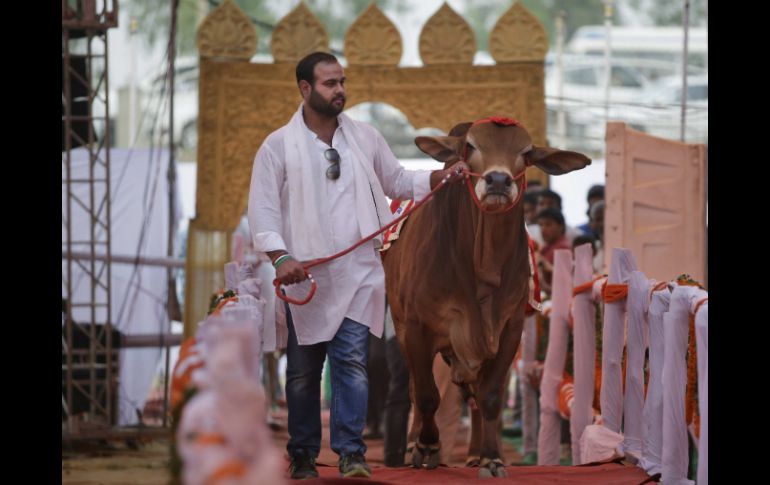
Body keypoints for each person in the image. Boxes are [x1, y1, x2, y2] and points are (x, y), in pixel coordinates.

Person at [247, 51, 469, 480]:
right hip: (305, 276)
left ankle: (351, 454)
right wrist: (281, 257)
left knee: (351, 363)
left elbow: (397, 181)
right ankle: (304, 454)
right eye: (330, 84)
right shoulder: (277, 146)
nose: (340, 91)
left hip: (359, 273)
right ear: (305, 89)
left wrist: (437, 178)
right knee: (302, 374)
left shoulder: (365, 137)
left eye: (342, 82)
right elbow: (263, 209)